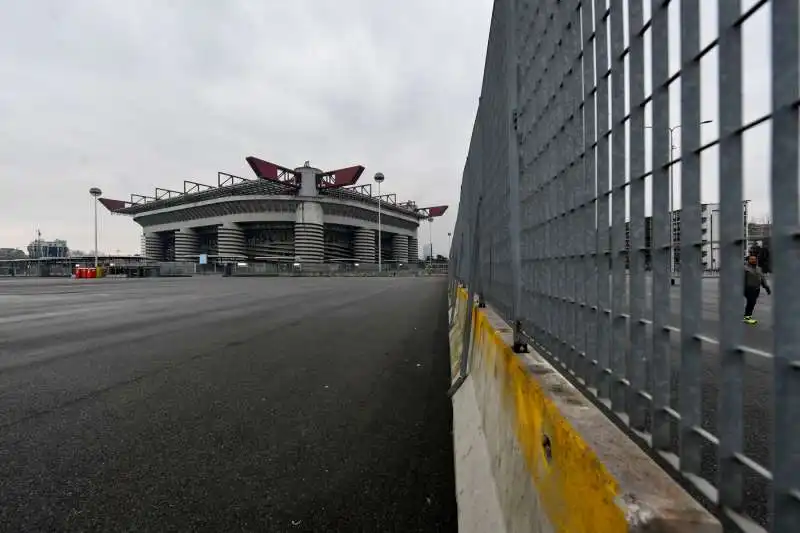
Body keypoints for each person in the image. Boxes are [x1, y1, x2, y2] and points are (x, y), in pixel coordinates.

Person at [744, 255, 771, 324]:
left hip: (756, 289)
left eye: (755, 259)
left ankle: (747, 316)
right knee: (751, 302)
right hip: (748, 289)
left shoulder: (759, 269)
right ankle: (747, 317)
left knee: (752, 303)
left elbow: (762, 279)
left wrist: (766, 287)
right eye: (752, 259)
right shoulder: (745, 269)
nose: (754, 260)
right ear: (748, 260)